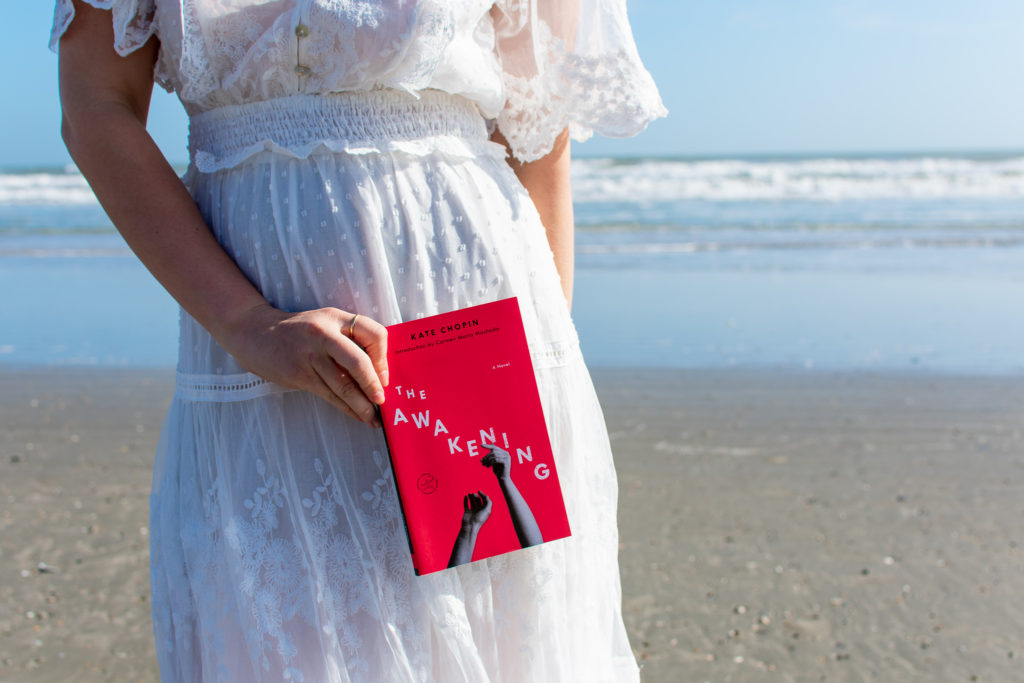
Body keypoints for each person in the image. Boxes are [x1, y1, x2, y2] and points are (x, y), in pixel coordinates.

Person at [51, 0, 665, 679]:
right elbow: (95, 106)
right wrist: (246, 322)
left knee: (498, 634)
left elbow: (539, 134)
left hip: (475, 323)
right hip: (251, 346)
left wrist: (536, 373)